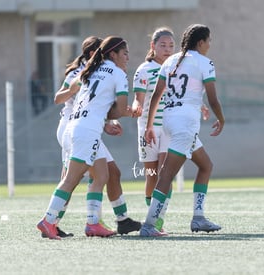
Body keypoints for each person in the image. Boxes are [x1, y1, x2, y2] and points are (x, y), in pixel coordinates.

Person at [37, 36, 134, 239]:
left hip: (76, 126)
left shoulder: (89, 71)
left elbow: (94, 105)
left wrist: (108, 119)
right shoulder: (116, 73)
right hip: (86, 131)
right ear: (113, 54)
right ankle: (48, 221)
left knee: (102, 174)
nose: (128, 57)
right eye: (125, 53)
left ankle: (93, 224)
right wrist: (132, 112)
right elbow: (119, 110)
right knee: (70, 179)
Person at [139, 24, 225, 237]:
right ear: (201, 42)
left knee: (205, 165)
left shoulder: (170, 60)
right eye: (209, 41)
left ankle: (198, 217)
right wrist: (221, 119)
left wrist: (150, 126)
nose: (210, 45)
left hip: (169, 121)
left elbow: (157, 95)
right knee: (166, 175)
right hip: (185, 125)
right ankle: (149, 224)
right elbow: (213, 98)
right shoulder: (205, 62)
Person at [131, 27, 175, 232]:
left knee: (165, 173)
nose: (167, 49)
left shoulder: (175, 68)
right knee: (151, 174)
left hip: (168, 128)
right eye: (162, 45)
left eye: (171, 46)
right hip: (147, 129)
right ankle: (151, 216)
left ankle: (158, 219)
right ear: (153, 46)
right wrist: (135, 106)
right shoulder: (144, 69)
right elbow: (138, 98)